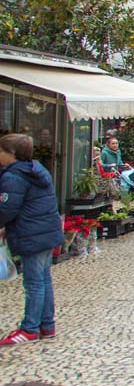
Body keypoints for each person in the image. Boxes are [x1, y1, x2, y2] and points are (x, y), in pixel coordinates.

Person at [0, 134, 63, 345]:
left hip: (31, 234)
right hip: (45, 232)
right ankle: (46, 325)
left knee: (34, 282)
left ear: (13, 154)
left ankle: (29, 328)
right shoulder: (36, 169)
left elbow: (7, 208)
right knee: (43, 279)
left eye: (1, 151)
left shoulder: (13, 176)